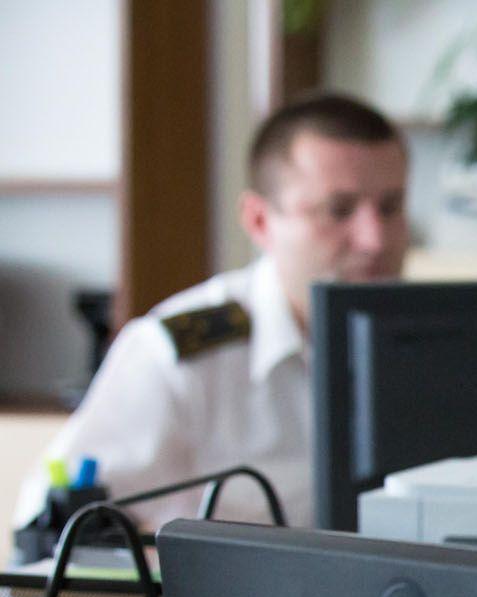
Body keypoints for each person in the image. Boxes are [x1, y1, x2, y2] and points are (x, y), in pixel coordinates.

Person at [14, 92, 409, 534]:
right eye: (338, 211)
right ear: (259, 221)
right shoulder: (181, 352)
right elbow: (54, 531)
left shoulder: (431, 339)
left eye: (391, 207)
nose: (375, 240)